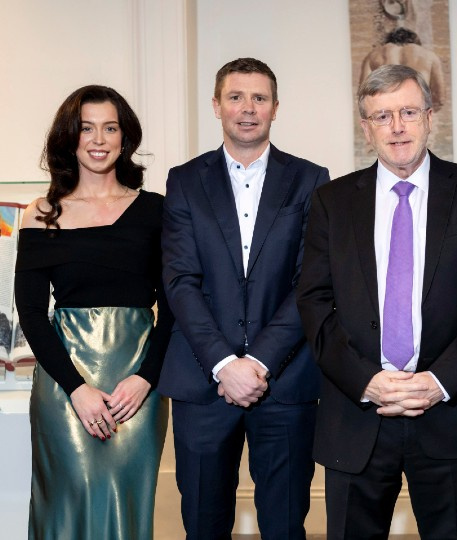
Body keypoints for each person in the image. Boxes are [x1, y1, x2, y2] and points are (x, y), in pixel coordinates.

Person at [296, 64, 457, 539]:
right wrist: (367, 381)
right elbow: (314, 305)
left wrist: (440, 381)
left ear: (430, 117)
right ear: (365, 128)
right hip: (359, 417)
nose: (397, 127)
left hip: (454, 414)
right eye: (382, 116)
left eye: (408, 112)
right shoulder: (331, 202)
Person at [159, 57, 329, 539]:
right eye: (236, 97)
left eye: (260, 98)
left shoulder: (311, 179)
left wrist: (258, 361)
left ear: (276, 108)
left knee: (284, 524)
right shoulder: (185, 180)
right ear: (217, 105)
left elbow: (310, 282)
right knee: (204, 524)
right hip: (202, 381)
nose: (247, 108)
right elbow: (180, 281)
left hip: (287, 380)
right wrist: (224, 364)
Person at [15, 85, 173, 539]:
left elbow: (176, 307)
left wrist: (147, 377)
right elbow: (30, 313)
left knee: (128, 500)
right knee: (69, 496)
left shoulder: (156, 211)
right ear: (70, 136)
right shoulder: (42, 214)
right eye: (87, 128)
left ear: (126, 138)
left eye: (110, 127)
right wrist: (77, 389)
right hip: (64, 388)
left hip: (137, 388)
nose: (99, 139)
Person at [360, 27, 447, 109]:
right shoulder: (429, 56)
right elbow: (440, 99)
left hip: (386, 113)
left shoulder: (374, 55)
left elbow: (364, 95)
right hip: (415, 112)